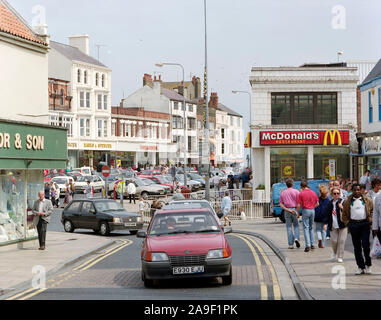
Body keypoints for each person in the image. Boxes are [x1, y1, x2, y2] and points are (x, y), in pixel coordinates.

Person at [341, 183, 373, 275]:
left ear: (361, 190)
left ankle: (368, 265)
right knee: (357, 247)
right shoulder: (348, 201)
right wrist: (348, 223)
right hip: (354, 225)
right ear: (352, 190)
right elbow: (344, 214)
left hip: (365, 224)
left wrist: (370, 220)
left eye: (358, 190)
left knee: (366, 245)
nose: (357, 191)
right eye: (355, 190)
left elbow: (372, 211)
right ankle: (360, 266)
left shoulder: (367, 200)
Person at [325, 187, 347, 263]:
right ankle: (334, 253)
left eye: (338, 193)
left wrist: (342, 208)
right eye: (334, 193)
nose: (336, 195)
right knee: (334, 241)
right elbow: (327, 215)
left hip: (342, 225)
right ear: (332, 194)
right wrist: (325, 224)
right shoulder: (329, 203)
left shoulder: (343, 202)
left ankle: (340, 256)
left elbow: (348, 212)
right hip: (333, 225)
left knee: (341, 241)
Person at [297, 180, 319, 252]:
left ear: (301, 186)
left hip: (305, 210)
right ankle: (313, 244)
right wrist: (312, 206)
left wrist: (298, 213)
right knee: (311, 227)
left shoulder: (301, 193)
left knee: (306, 228)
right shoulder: (313, 193)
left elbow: (299, 205)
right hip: (312, 210)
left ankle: (307, 245)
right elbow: (317, 204)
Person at [279, 179, 301, 249]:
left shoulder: (283, 193)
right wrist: (297, 212)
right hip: (294, 209)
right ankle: (296, 238)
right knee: (296, 226)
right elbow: (298, 204)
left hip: (287, 210)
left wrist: (287, 209)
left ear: (286, 184)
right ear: (292, 184)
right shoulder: (297, 191)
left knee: (289, 227)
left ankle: (290, 245)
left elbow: (281, 204)